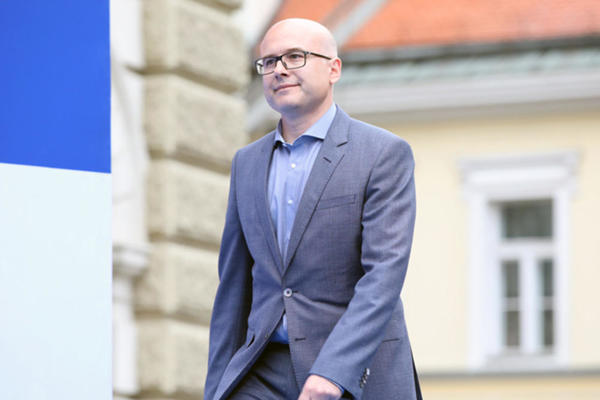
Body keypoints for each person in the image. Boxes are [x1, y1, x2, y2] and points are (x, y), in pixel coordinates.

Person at [204, 18, 421, 400]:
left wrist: (334, 372)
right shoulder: (246, 163)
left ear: (333, 69)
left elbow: (383, 276)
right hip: (261, 371)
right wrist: (217, 388)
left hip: (354, 371)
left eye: (294, 56)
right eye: (269, 61)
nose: (279, 69)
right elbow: (233, 288)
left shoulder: (383, 154)